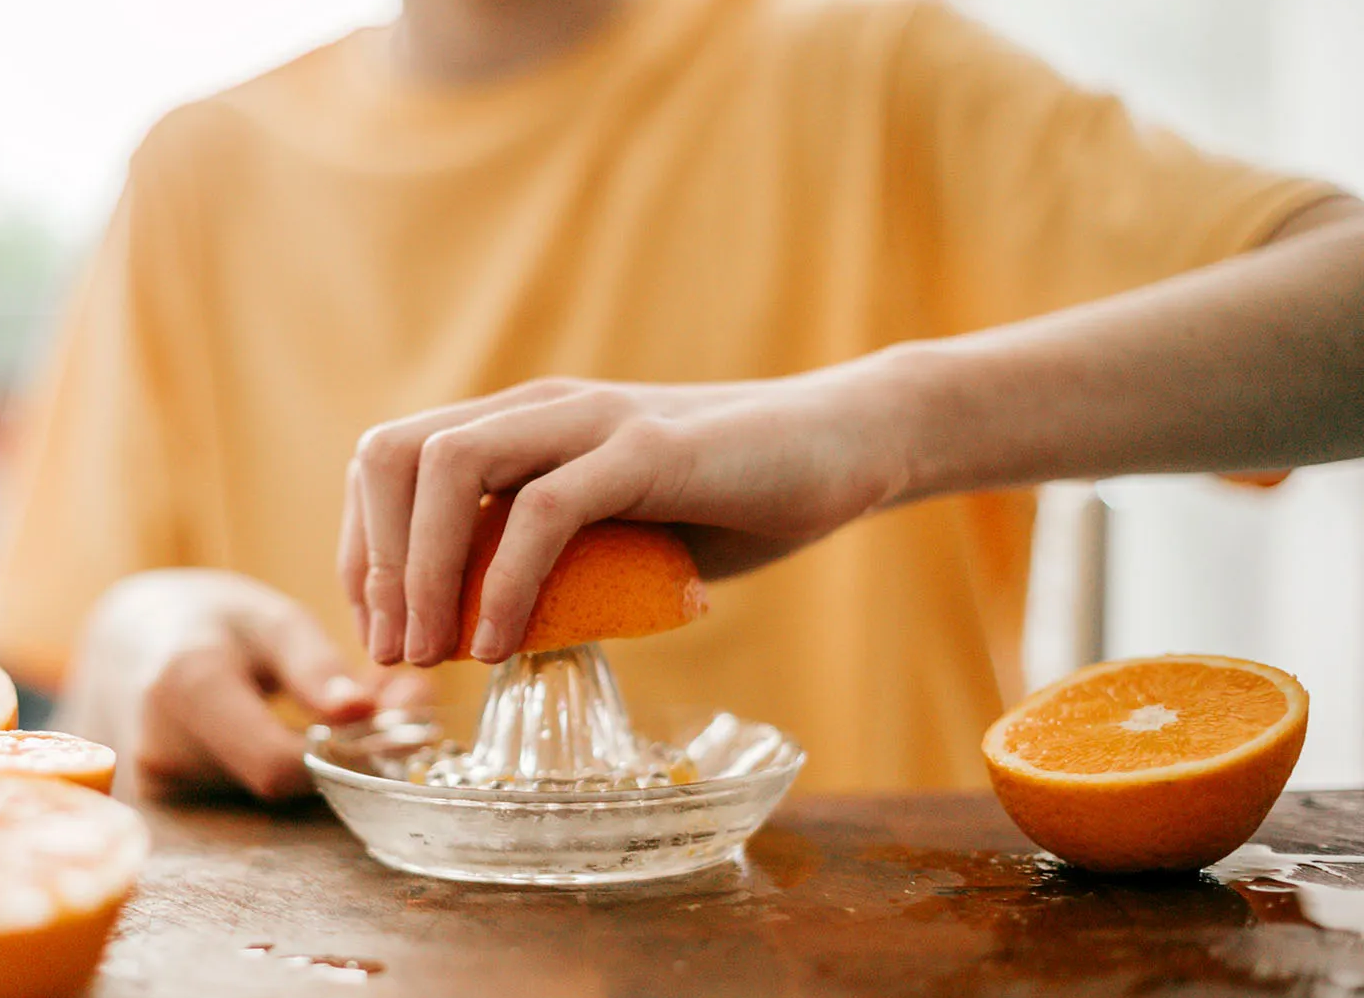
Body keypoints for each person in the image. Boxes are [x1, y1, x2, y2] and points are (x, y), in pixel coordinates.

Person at [0, 0, 1352, 802]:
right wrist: (138, 638)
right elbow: (90, 658)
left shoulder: (868, 72)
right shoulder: (199, 174)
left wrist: (866, 422)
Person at [344, 198, 1363, 669]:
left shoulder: (889, 64)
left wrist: (885, 423)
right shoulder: (193, 168)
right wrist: (177, 621)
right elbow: (179, 576)